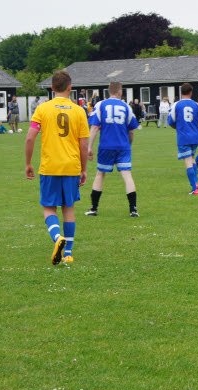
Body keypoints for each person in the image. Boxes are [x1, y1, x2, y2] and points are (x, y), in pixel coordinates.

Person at [24, 70, 89, 265]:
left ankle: (57, 237)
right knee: (68, 208)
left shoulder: (42, 109)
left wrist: (28, 163)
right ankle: (68, 252)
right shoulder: (79, 111)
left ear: (52, 88)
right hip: (71, 166)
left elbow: (30, 138)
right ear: (70, 88)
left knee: (49, 207)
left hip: (50, 166)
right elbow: (84, 145)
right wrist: (83, 169)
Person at [85, 81, 140, 218]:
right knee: (127, 175)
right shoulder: (126, 107)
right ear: (120, 91)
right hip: (123, 146)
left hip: (106, 146)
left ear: (109, 91)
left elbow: (94, 127)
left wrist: (89, 147)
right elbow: (131, 130)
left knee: (100, 174)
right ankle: (133, 209)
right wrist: (129, 145)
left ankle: (94, 208)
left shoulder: (101, 105)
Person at [168, 83, 198, 195]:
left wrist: (178, 128)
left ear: (181, 92)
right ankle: (196, 183)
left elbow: (170, 121)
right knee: (192, 159)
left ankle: (194, 189)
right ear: (191, 92)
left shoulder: (176, 105)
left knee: (188, 162)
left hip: (183, 138)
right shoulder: (197, 106)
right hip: (195, 138)